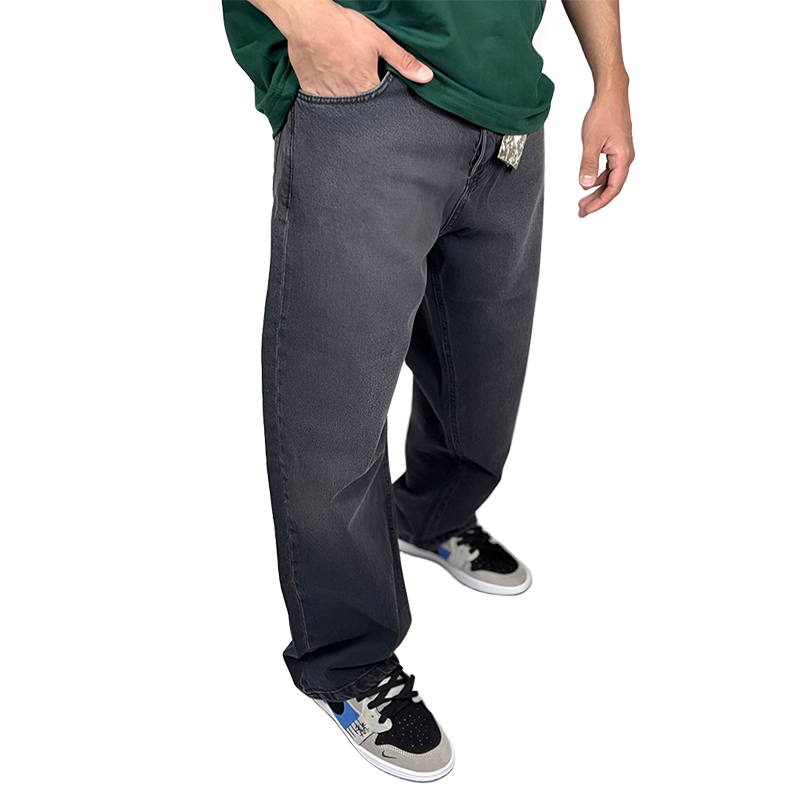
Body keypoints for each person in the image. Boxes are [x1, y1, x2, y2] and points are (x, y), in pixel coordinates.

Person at [221, 0, 634, 781]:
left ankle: (435, 512)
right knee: (333, 410)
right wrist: (312, 25)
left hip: (510, 106)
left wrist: (611, 79)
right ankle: (347, 661)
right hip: (371, 98)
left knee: (484, 366)